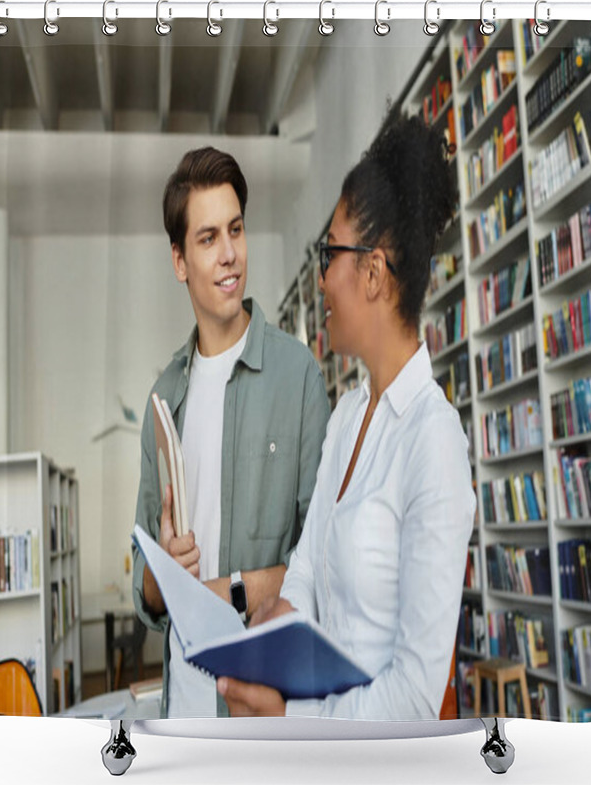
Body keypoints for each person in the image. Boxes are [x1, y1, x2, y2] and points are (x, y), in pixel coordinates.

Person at [218, 113, 476, 720]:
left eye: (328, 253)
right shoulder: (348, 415)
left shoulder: (432, 443)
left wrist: (292, 720)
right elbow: (305, 566)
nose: (321, 277)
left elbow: (415, 698)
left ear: (373, 271)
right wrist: (273, 628)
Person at [131, 146, 330, 718]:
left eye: (236, 230)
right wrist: (162, 572)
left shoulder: (298, 376)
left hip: (260, 711)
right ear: (179, 261)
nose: (228, 255)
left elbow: (325, 562)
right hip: (183, 711)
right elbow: (144, 588)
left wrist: (234, 591)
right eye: (208, 238)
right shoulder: (164, 396)